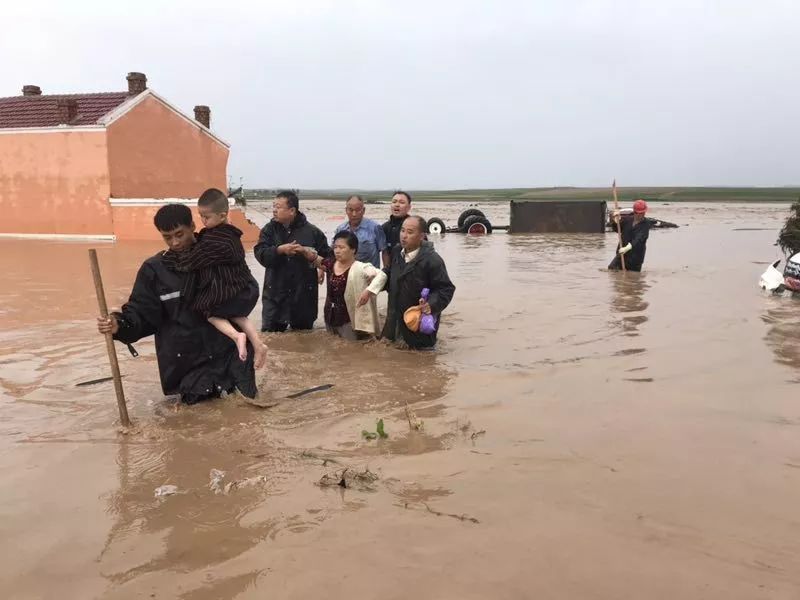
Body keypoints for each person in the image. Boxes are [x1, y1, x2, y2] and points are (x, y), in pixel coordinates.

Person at [96, 204, 257, 405]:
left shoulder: (219, 253)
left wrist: (220, 303)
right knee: (196, 427)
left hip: (232, 356)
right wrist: (119, 325)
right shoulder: (154, 270)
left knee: (246, 417)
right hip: (188, 366)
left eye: (179, 234)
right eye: (167, 237)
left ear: (192, 226)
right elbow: (142, 313)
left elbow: (249, 291)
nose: (175, 242)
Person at [171, 188, 266, 368]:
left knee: (211, 314)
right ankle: (259, 345)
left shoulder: (218, 241)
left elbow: (192, 260)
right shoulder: (227, 233)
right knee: (239, 315)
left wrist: (170, 257)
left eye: (206, 217)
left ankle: (236, 336)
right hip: (243, 288)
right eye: (200, 216)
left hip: (233, 289)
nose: (203, 221)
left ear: (222, 216)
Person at [254, 190, 332, 332]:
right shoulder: (269, 230)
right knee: (272, 341)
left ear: (292, 210)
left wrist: (312, 258)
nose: (274, 210)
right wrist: (279, 250)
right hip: (275, 296)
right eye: (273, 206)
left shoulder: (313, 232)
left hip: (303, 297)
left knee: (304, 342)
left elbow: (330, 261)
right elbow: (260, 254)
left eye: (278, 207)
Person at [382, 215, 455, 349]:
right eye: (402, 230)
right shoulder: (397, 251)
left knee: (421, 360)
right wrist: (375, 282)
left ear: (422, 236)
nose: (404, 236)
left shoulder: (433, 260)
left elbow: (445, 289)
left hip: (418, 321)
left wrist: (430, 305)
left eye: (410, 232)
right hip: (394, 320)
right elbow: (391, 275)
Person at [319, 230, 387, 340]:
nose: (337, 251)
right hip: (330, 315)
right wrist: (304, 251)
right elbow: (319, 261)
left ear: (353, 250)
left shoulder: (361, 268)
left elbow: (382, 276)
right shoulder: (331, 264)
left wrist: (368, 291)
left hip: (349, 318)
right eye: (335, 247)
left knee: (352, 350)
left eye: (342, 247)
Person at [334, 195, 386, 268]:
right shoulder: (340, 230)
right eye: (351, 210)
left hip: (370, 276)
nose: (354, 214)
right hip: (348, 275)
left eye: (358, 210)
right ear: (346, 210)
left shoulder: (374, 228)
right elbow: (335, 254)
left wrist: (385, 273)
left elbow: (385, 251)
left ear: (363, 210)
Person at [608, 199, 651, 272]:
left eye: (642, 213)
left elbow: (639, 239)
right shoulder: (628, 219)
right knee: (611, 269)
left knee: (633, 278)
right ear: (634, 212)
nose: (640, 215)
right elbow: (617, 229)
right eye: (638, 213)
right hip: (622, 254)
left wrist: (628, 247)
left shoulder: (646, 224)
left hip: (635, 258)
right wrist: (615, 220)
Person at [381, 190, 412, 267]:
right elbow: (384, 252)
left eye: (401, 202)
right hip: (392, 272)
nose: (397, 205)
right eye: (394, 202)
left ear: (409, 207)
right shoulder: (385, 227)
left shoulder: (415, 226)